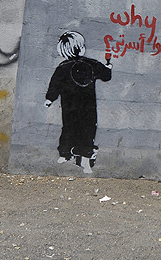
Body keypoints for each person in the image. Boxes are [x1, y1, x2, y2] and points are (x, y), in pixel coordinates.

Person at [45, 31, 112, 174]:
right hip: (88, 107)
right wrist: (109, 67)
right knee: (87, 132)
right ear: (82, 48)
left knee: (68, 129)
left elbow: (54, 85)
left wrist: (49, 99)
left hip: (69, 108)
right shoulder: (91, 64)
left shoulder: (63, 67)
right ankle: (85, 161)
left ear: (62, 50)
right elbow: (106, 75)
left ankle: (64, 154)